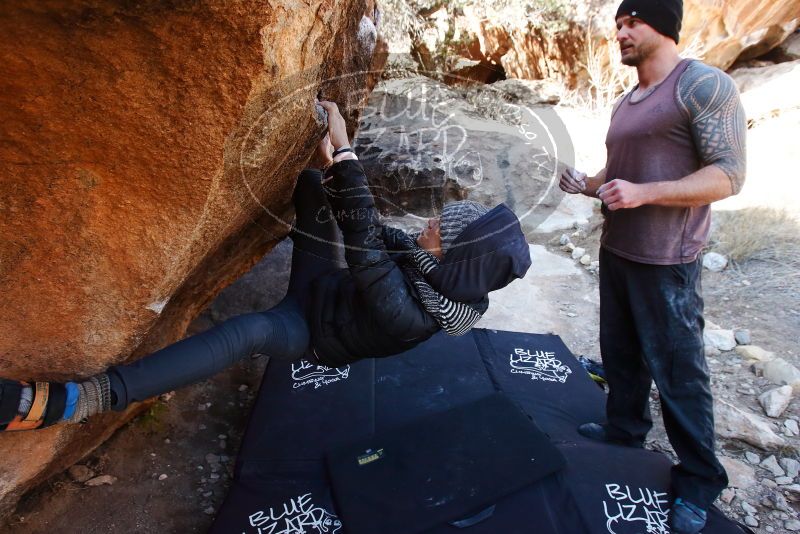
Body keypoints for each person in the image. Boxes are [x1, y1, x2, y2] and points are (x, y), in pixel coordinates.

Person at [0, 101, 531, 431]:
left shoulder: (420, 315)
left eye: (441, 229)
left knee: (248, 331)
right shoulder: (426, 262)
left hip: (309, 332)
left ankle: (83, 399)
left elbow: (368, 244)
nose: (429, 225)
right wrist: (330, 170)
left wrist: (346, 155)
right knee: (309, 187)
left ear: (453, 259)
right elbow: (369, 232)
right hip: (322, 285)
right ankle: (315, 175)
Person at [560, 1, 746, 532]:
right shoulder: (627, 102)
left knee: (679, 374)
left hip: (668, 260)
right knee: (620, 354)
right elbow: (620, 173)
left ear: (661, 26)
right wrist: (588, 184)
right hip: (618, 249)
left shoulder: (703, 86)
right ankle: (624, 429)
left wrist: (646, 193)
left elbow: (729, 176)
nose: (620, 32)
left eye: (631, 22)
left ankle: (700, 480)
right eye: (618, 23)